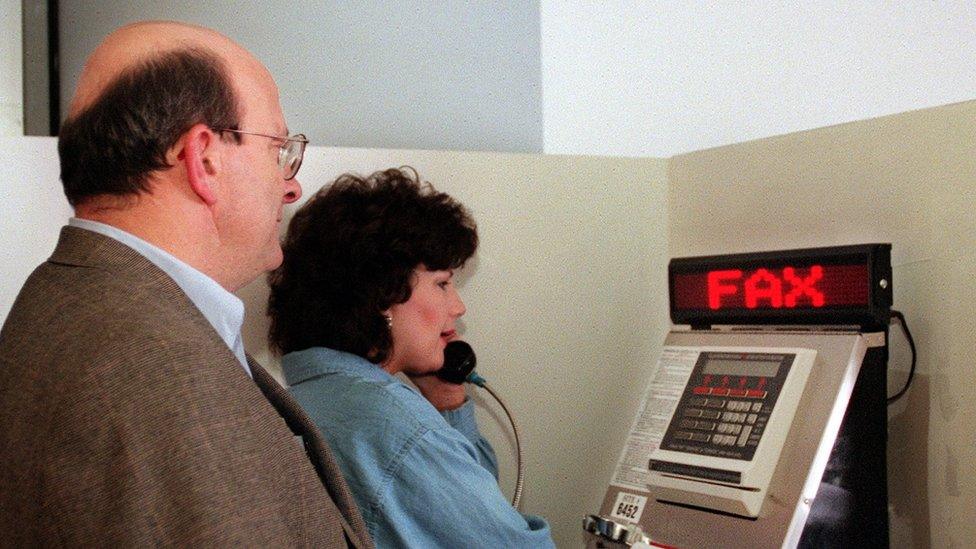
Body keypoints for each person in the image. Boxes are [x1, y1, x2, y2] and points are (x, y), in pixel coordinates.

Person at [0, 21, 371, 547]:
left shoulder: (63, 301)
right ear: (204, 159)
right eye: (279, 150)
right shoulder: (154, 364)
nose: (292, 186)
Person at [267, 168, 555, 548]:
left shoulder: (304, 398)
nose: (458, 307)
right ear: (384, 293)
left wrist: (445, 400)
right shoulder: (395, 426)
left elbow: (477, 512)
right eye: (442, 284)